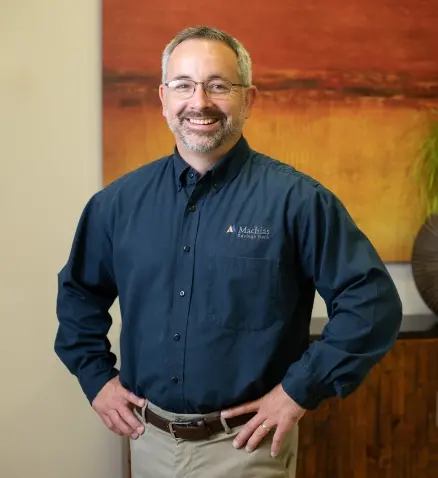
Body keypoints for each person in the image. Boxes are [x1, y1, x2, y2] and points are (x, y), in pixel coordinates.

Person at [55, 25, 403, 478]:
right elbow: (79, 293)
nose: (199, 101)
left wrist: (299, 390)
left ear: (249, 99)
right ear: (163, 98)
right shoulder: (117, 204)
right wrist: (96, 378)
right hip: (148, 445)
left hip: (248, 450)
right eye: (184, 85)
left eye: (219, 85)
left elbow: (372, 305)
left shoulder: (297, 201)